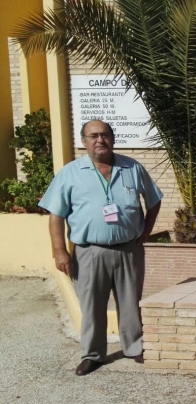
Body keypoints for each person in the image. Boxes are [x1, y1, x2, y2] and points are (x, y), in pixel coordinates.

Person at [39, 120, 163, 376]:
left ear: (112, 138)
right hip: (89, 252)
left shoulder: (132, 167)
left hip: (129, 249)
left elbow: (154, 200)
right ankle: (93, 355)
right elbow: (56, 216)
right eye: (93, 136)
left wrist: (146, 231)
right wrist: (60, 250)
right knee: (92, 306)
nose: (100, 140)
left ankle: (134, 347)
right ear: (83, 141)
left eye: (105, 135)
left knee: (130, 302)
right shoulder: (70, 173)